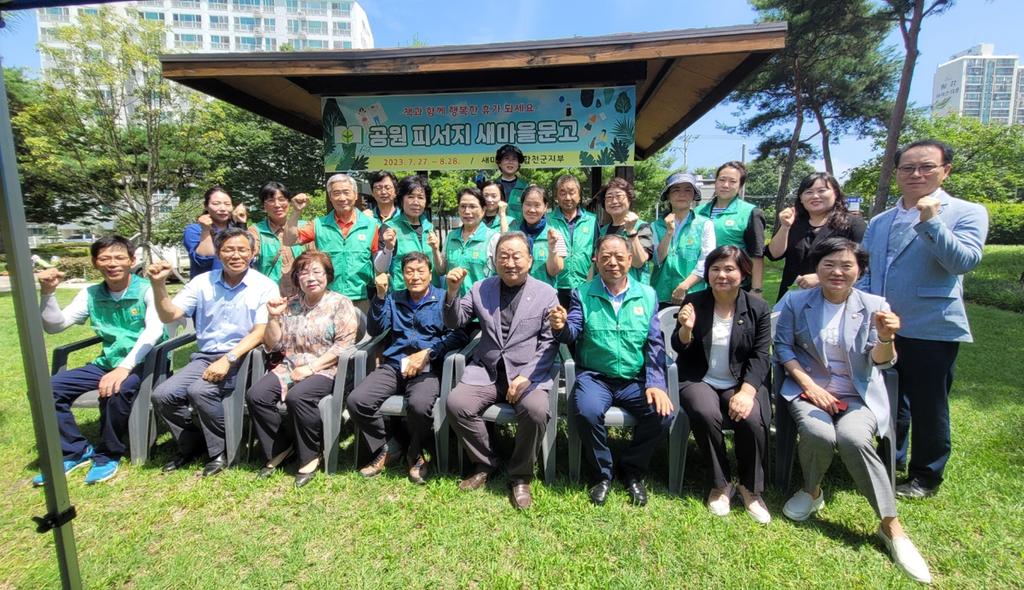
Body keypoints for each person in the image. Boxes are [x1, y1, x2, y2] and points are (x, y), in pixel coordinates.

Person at [775, 238, 931, 584]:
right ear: (817, 267)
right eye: (829, 264)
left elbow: (882, 361)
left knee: (852, 439)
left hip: (857, 396)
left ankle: (891, 526)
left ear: (859, 270)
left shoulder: (874, 305)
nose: (837, 272)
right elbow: (783, 347)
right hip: (808, 391)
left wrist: (887, 338)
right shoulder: (797, 302)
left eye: (847, 265)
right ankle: (812, 491)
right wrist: (810, 387)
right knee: (818, 432)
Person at [858, 139, 988, 499]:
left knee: (929, 402)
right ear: (897, 172)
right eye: (907, 168)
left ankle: (926, 475)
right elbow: (866, 269)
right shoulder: (881, 219)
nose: (916, 174)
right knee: (888, 397)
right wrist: (869, 308)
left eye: (926, 166)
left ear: (945, 170)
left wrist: (930, 221)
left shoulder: (965, 212)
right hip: (884, 325)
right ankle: (892, 459)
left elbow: (962, 262)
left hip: (931, 324)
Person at [549, 234, 674, 507]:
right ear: (596, 260)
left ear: (630, 260)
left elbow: (655, 344)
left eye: (619, 257)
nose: (612, 263)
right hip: (595, 377)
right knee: (587, 411)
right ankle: (602, 474)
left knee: (662, 413)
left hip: (635, 379)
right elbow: (572, 331)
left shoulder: (648, 294)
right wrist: (560, 327)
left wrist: (656, 383)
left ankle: (632, 470)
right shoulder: (582, 292)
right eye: (605, 257)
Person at [33, 236, 165, 485]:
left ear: (131, 261)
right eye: (105, 258)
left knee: (115, 390)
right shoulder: (91, 293)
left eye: (119, 257)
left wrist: (124, 369)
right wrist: (48, 293)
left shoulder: (147, 289)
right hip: (106, 362)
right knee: (45, 389)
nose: (112, 263)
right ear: (95, 263)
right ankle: (75, 450)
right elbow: (55, 326)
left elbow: (153, 332)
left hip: (144, 361)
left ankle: (108, 453)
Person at [149, 228, 279, 477]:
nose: (236, 255)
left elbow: (260, 331)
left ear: (253, 253)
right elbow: (170, 314)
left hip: (243, 356)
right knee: (163, 395)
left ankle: (220, 450)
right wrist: (159, 286)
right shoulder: (202, 282)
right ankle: (192, 444)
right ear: (219, 253)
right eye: (229, 249)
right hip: (205, 355)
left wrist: (228, 359)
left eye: (242, 249)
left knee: (200, 391)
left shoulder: (264, 286)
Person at [444, 232, 560, 510]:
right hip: (487, 371)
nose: (510, 262)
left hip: (526, 373)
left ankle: (520, 476)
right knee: (456, 404)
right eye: (503, 256)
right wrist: (451, 293)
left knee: (535, 411)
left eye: (516, 256)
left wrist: (527, 376)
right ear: (494, 261)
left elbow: (549, 343)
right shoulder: (480, 287)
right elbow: (455, 321)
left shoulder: (546, 293)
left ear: (530, 260)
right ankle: (487, 461)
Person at [347, 253, 471, 484]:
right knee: (357, 400)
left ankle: (414, 452)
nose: (415, 276)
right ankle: (386, 447)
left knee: (420, 405)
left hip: (428, 367)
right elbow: (375, 329)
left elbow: (459, 335)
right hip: (395, 365)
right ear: (402, 275)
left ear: (430, 273)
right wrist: (381, 296)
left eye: (420, 271)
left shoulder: (444, 298)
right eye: (409, 272)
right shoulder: (394, 298)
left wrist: (428, 353)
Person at [672, 246, 772, 523]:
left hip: (740, 381)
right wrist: (686, 328)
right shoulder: (694, 301)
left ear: (743, 273)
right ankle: (721, 483)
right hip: (698, 377)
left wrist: (747, 392)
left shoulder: (757, 308)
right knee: (705, 412)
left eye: (729, 269)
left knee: (751, 419)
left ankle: (751, 488)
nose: (722, 275)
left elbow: (761, 355)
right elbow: (678, 345)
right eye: (715, 269)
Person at [244, 252, 358, 487]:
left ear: (327, 275)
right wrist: (273, 318)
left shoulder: (340, 303)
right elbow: (274, 344)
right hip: (290, 366)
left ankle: (310, 455)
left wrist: (311, 368)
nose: (311, 278)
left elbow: (344, 345)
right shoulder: (292, 304)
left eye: (317, 272)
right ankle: (281, 447)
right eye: (304, 272)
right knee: (257, 395)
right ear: (296, 278)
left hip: (328, 368)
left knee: (299, 397)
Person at [283, 174, 381, 314]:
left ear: (355, 195)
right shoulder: (319, 225)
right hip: (326, 298)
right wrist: (296, 212)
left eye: (346, 192)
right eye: (336, 193)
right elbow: (289, 240)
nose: (342, 198)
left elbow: (378, 262)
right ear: (330, 197)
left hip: (361, 299)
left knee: (362, 335)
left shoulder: (371, 225)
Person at [766, 172, 866, 300]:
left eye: (822, 190)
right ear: (801, 198)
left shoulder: (853, 223)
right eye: (808, 192)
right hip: (794, 297)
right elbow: (774, 254)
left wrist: (821, 277)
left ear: (835, 193)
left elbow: (863, 263)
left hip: (835, 296)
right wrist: (785, 227)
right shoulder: (794, 223)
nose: (815, 196)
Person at [695, 162, 767, 296]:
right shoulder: (698, 212)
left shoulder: (750, 212)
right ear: (715, 182)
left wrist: (756, 289)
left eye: (732, 181)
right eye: (721, 180)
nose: (725, 185)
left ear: (740, 185)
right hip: (702, 285)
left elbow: (757, 254)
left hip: (735, 286)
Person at [650, 173, 715, 308]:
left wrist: (684, 286)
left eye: (687, 190)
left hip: (694, 294)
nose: (682, 194)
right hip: (661, 294)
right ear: (668, 195)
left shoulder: (705, 224)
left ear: (693, 195)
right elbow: (657, 260)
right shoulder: (655, 226)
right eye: (676, 190)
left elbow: (707, 261)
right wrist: (669, 233)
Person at [374, 175, 443, 291]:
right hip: (401, 297)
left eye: (421, 197)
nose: (416, 202)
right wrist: (388, 247)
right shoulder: (389, 227)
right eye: (410, 197)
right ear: (401, 199)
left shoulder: (430, 228)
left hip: (430, 296)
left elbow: (439, 268)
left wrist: (436, 250)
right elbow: (380, 268)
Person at [547, 174, 599, 308]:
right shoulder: (547, 220)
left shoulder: (592, 220)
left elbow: (597, 253)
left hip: (583, 286)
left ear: (579, 195)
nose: (568, 197)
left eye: (572, 192)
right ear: (557, 197)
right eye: (562, 193)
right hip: (554, 286)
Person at [437, 187, 499, 296]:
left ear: (483, 210)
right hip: (453, 304)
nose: (467, 211)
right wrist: (434, 249)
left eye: (472, 206)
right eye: (463, 206)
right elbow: (441, 270)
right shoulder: (451, 236)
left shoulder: (493, 238)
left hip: (481, 306)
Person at [249, 181, 306, 294]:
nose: (277, 205)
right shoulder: (256, 231)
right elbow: (248, 254)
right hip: (270, 295)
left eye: (282, 199)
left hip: (302, 294)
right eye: (271, 200)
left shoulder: (304, 227)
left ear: (289, 202)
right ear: (264, 206)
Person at [596, 177, 655, 284]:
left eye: (619, 196)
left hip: (634, 291)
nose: (614, 201)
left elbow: (639, 262)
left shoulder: (642, 227)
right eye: (609, 197)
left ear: (629, 199)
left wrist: (631, 231)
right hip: (606, 290)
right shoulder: (603, 231)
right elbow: (596, 263)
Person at [509, 185, 568, 287]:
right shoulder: (512, 233)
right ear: (522, 205)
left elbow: (554, 271)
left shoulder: (555, 235)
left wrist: (552, 247)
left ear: (545, 207)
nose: (532, 210)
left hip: (543, 297)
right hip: (515, 294)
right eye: (528, 204)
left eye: (537, 205)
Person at [183, 186, 243, 278]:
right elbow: (203, 261)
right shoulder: (194, 230)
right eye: (216, 204)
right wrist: (205, 230)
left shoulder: (236, 229)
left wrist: (242, 224)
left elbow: (247, 259)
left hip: (236, 286)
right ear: (206, 206)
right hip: (207, 287)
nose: (223, 208)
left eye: (227, 204)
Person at [495, 144, 529, 222]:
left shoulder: (525, 188)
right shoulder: (492, 187)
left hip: (519, 232)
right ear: (499, 163)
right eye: (506, 158)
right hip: (495, 231)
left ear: (518, 164)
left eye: (514, 159)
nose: (510, 162)